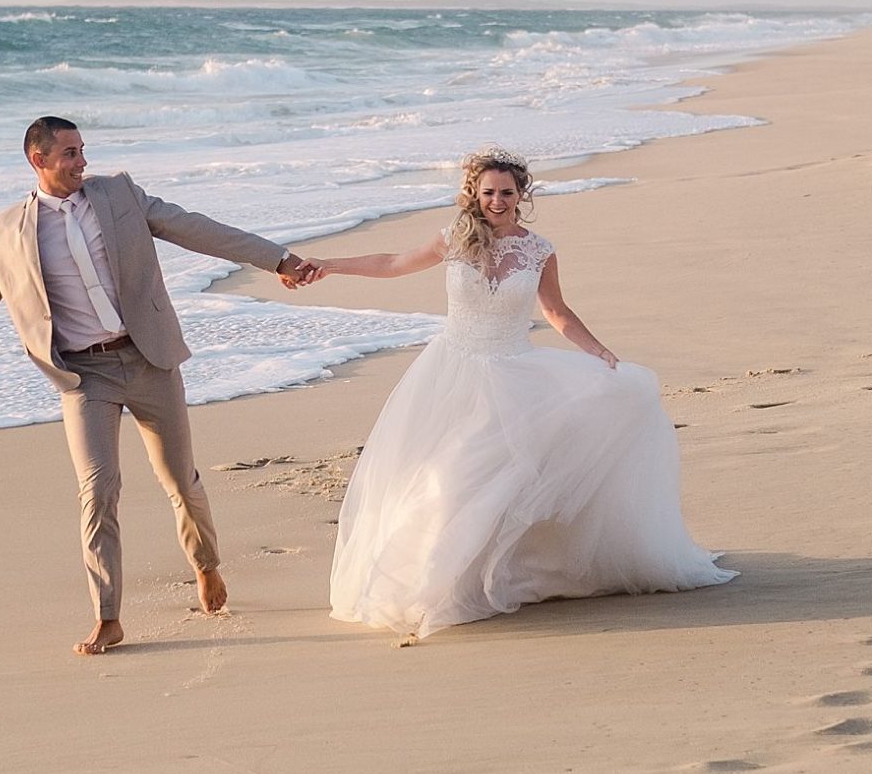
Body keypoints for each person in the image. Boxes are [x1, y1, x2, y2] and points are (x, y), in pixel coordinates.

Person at [0, 116, 316, 655]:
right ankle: (108, 617)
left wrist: (278, 258)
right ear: (39, 161)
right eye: (70, 153)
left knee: (181, 482)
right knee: (98, 489)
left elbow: (199, 228)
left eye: (82, 150)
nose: (82, 161)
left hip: (149, 358)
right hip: (84, 377)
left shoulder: (120, 195)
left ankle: (206, 564)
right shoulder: (5, 231)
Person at [305, 150, 736, 639]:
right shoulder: (453, 240)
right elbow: (392, 263)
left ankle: (477, 577)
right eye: (487, 192)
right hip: (450, 373)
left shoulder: (540, 251)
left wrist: (601, 354)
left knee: (484, 475)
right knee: (443, 476)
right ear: (474, 194)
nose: (496, 201)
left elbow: (557, 312)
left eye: (506, 192)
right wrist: (328, 265)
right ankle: (429, 578)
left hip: (512, 375)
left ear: (521, 195)